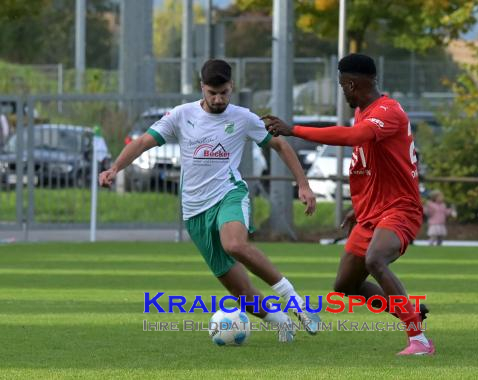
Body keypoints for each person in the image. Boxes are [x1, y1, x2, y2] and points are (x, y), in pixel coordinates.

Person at [99, 59, 320, 342]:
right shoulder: (181, 115)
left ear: (232, 88)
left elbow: (280, 144)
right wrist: (116, 167)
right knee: (241, 292)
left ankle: (295, 302)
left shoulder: (243, 118)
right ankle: (281, 322)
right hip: (194, 210)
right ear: (202, 88)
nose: (218, 99)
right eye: (212, 93)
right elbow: (143, 142)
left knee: (235, 244)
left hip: (229, 194)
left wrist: (303, 184)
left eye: (224, 93)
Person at [263, 53, 434, 356]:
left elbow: (354, 136)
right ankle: (409, 311)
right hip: (372, 212)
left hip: (399, 209)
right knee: (345, 286)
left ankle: (419, 340)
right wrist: (360, 206)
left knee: (375, 260)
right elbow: (375, 164)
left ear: (352, 84)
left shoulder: (388, 111)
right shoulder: (365, 110)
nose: (342, 91)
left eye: (342, 85)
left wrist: (295, 129)